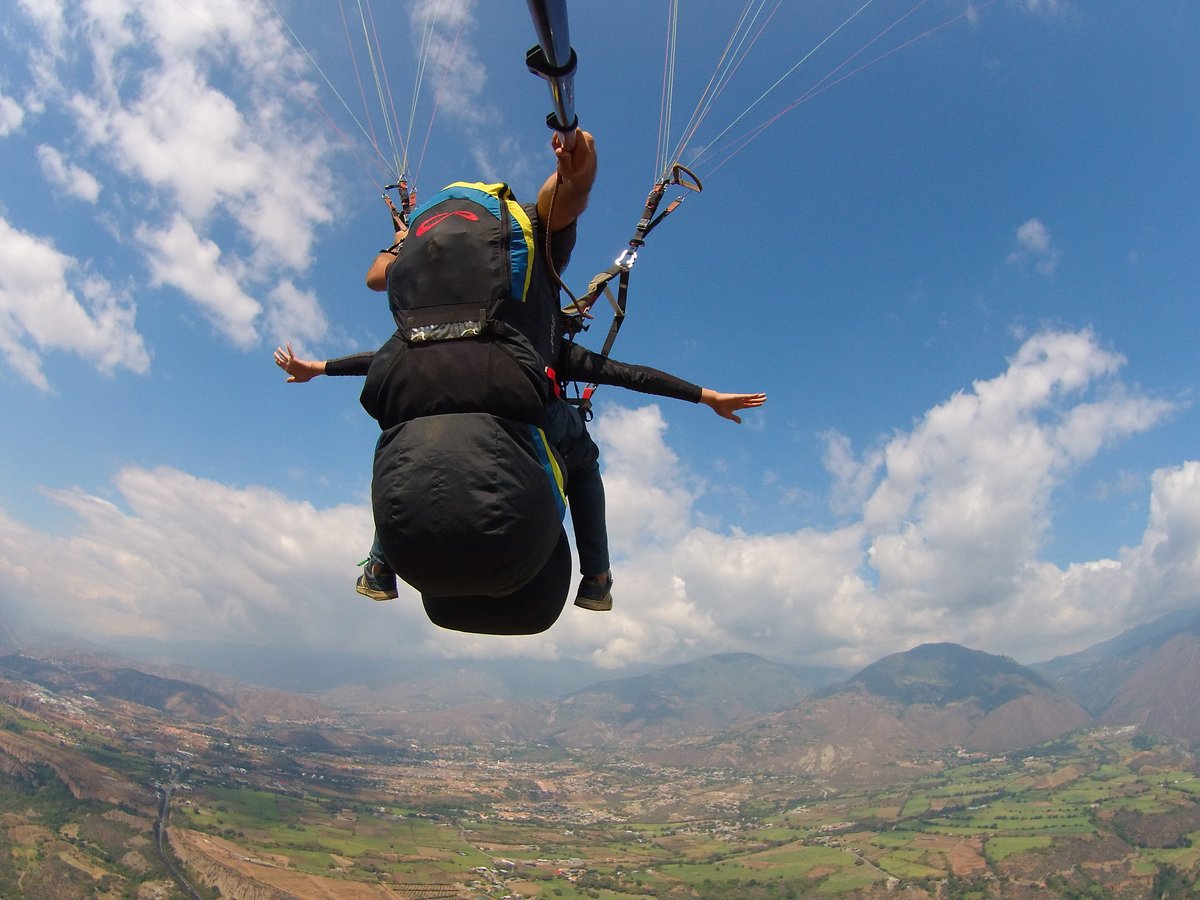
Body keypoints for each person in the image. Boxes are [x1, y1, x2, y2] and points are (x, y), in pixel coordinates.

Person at [274, 341, 766, 611]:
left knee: (424, 444)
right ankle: (595, 578)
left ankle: (380, 567)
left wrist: (317, 367)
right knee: (582, 457)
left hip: (428, 448)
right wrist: (706, 396)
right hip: (513, 438)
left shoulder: (426, 341)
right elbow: (626, 373)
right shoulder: (535, 343)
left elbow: (375, 361)